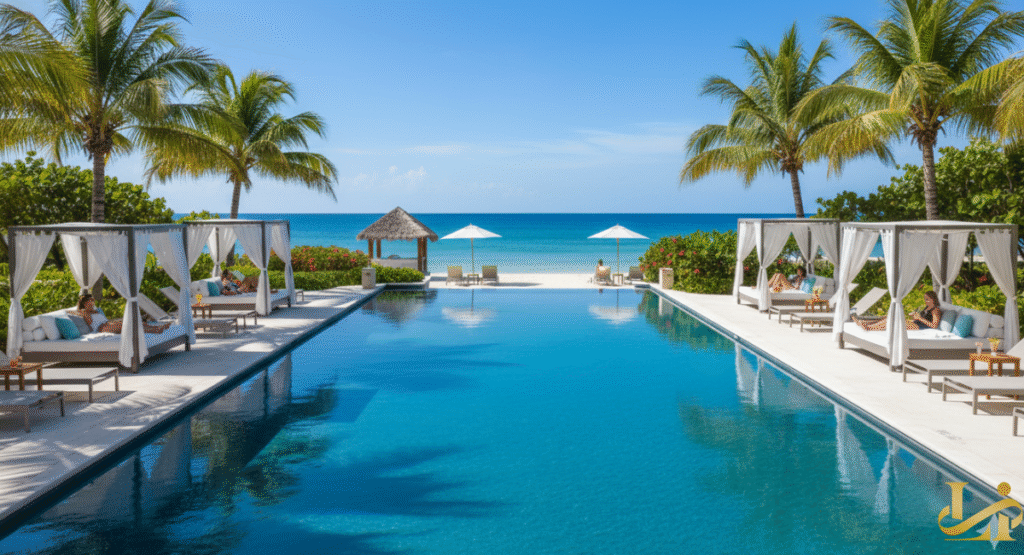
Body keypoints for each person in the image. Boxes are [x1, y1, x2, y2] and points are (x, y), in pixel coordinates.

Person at [854, 290, 941, 331]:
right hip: (916, 323)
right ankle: (866, 323)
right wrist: (914, 318)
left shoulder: (935, 310)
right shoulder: (927, 307)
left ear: (933, 299)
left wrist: (919, 318)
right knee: (889, 317)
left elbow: (934, 326)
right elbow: (921, 319)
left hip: (921, 328)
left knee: (893, 321)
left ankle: (869, 328)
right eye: (925, 299)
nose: (926, 301)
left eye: (927, 299)